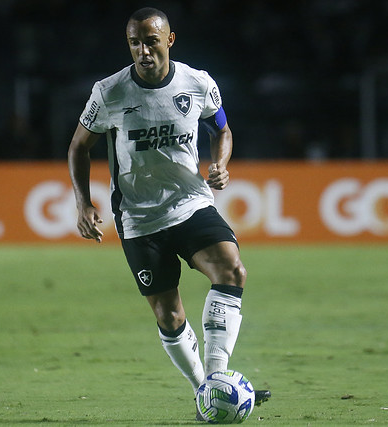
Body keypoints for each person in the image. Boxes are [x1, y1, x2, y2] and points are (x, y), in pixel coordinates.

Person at [67, 6, 269, 419]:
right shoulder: (109, 92)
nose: (142, 50)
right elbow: (78, 147)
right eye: (134, 42)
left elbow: (222, 128)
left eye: (151, 41)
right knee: (169, 313)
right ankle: (205, 392)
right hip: (139, 219)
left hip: (190, 202)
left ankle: (217, 382)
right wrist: (83, 202)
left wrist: (221, 164)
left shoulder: (198, 83)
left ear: (169, 40)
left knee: (232, 271)